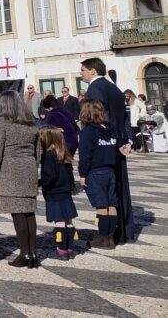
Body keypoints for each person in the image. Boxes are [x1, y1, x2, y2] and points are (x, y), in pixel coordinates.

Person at [80, 57, 135, 244]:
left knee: (104, 198)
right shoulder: (114, 88)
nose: (82, 74)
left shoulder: (95, 89)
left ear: (92, 71)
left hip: (102, 147)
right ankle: (122, 231)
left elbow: (99, 118)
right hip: (118, 143)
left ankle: (105, 236)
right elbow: (124, 117)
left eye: (83, 70)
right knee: (118, 190)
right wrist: (126, 139)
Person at [0, 90, 41, 269]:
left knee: (17, 212)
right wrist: (33, 165)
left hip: (10, 169)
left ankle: (24, 253)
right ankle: (32, 252)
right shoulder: (30, 124)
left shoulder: (0, 123)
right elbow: (38, 151)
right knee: (29, 211)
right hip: (29, 167)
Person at [78, 100, 120, 249]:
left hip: (95, 171)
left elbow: (85, 155)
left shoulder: (88, 131)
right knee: (111, 204)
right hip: (110, 170)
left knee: (101, 205)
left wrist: (82, 174)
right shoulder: (111, 128)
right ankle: (111, 238)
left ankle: (103, 238)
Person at [39, 126, 78, 260]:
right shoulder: (64, 153)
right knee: (68, 220)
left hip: (54, 192)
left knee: (59, 222)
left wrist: (41, 182)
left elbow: (49, 176)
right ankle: (70, 249)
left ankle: (61, 251)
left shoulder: (49, 155)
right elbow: (70, 174)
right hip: (66, 192)